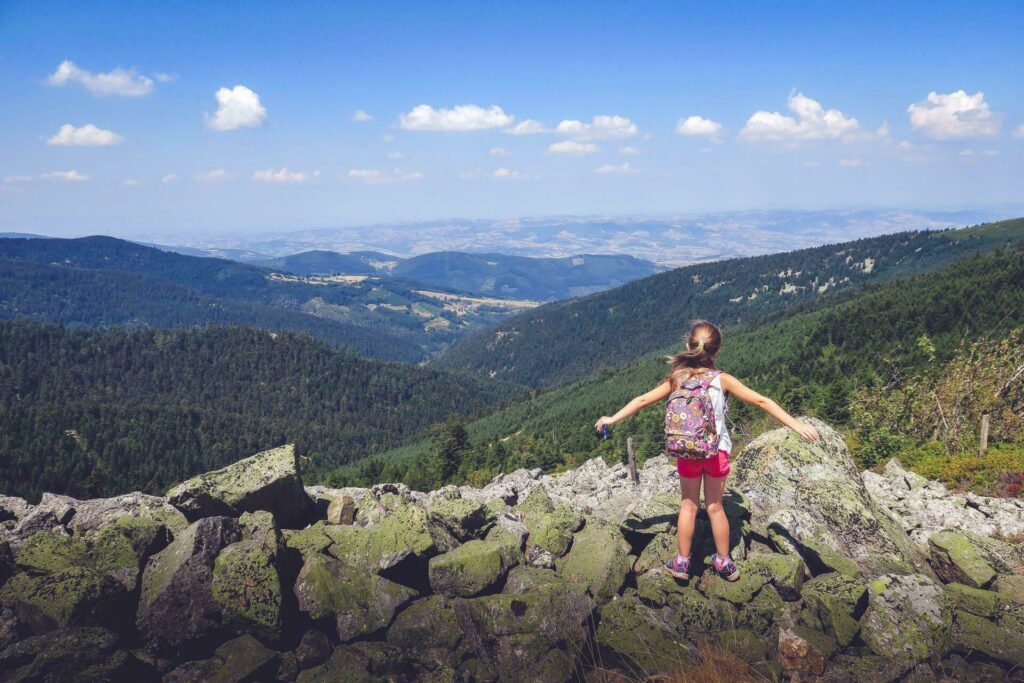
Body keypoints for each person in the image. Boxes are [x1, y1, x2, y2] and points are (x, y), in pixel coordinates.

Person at [594, 320, 819, 582]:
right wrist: (796, 424)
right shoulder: (722, 379)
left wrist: (611, 418)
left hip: (687, 451)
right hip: (716, 452)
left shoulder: (677, 379)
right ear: (717, 351)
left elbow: (642, 400)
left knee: (688, 506)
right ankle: (724, 562)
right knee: (715, 507)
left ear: (688, 346)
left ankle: (681, 563)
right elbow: (761, 400)